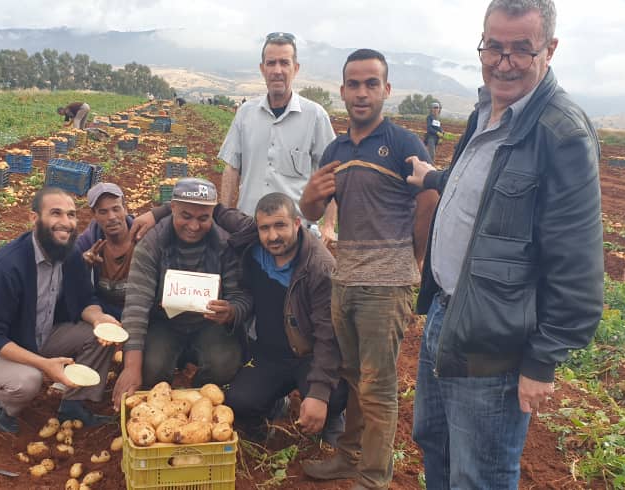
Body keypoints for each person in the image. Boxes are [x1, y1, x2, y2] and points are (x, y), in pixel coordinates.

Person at [404, 0, 604, 487]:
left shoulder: (562, 134)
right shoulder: (487, 111)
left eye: (521, 49)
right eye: (494, 46)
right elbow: (487, 190)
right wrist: (434, 177)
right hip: (445, 318)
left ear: (549, 50)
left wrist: (542, 360)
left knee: (480, 474)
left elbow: (577, 262)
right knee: (437, 447)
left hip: (496, 344)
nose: (504, 60)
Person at [299, 49, 434, 490]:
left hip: (386, 285)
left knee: (378, 387)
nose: (361, 93)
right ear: (342, 91)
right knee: (354, 378)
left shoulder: (403, 144)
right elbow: (313, 209)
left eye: (371, 83)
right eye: (353, 84)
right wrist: (309, 198)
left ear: (386, 90)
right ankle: (350, 457)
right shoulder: (335, 150)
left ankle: (374, 479)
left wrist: (414, 259)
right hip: (347, 279)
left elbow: (428, 199)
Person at [139, 192, 348, 444]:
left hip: (309, 353)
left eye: (280, 226)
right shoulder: (251, 236)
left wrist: (319, 394)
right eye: (265, 228)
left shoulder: (320, 267)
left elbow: (329, 334)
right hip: (270, 353)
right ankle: (270, 409)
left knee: (333, 395)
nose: (272, 236)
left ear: (296, 223)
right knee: (239, 401)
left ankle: (332, 419)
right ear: (257, 227)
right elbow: (209, 208)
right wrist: (157, 213)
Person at [0, 187, 121, 433]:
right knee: (28, 379)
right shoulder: (8, 267)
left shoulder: (70, 254)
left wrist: (99, 319)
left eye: (71, 215)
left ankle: (73, 404)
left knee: (98, 335)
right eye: (56, 214)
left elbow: (84, 300)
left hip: (36, 337)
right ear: (34, 219)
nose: (65, 223)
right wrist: (44, 365)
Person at [111, 178, 252, 410]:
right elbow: (136, 306)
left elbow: (241, 296)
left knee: (224, 363)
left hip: (208, 325)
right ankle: (160, 400)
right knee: (151, 367)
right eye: (186, 216)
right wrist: (131, 368)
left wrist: (231, 311)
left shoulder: (226, 244)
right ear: (172, 208)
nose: (194, 226)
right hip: (164, 323)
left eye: (203, 218)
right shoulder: (151, 244)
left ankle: (198, 399)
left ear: (213, 214)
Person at [218, 32, 338, 242]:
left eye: (284, 63)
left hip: (296, 233)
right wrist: (223, 219)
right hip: (249, 228)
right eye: (271, 63)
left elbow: (333, 173)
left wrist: (328, 226)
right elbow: (231, 169)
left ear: (296, 68)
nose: (277, 71)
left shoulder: (315, 116)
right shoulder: (246, 113)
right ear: (262, 69)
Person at [75, 182, 135, 320]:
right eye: (103, 212)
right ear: (94, 214)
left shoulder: (144, 238)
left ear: (125, 209)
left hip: (140, 316)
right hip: (105, 316)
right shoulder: (86, 243)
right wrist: (83, 264)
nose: (111, 217)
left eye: (116, 209)